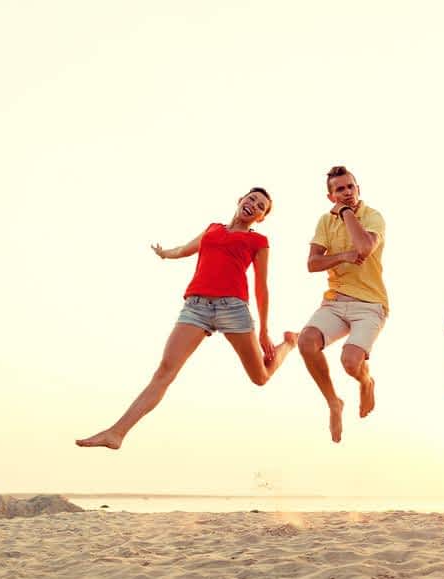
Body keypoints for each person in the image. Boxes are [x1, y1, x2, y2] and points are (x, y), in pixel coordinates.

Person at [76, 188, 298, 450]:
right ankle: (116, 433)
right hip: (196, 308)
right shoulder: (213, 229)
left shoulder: (258, 241)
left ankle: (289, 345)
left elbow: (262, 286)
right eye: (251, 199)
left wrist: (264, 330)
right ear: (240, 200)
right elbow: (185, 249)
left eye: (260, 206)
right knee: (164, 371)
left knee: (260, 377)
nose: (253, 204)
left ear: (260, 217)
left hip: (233, 308)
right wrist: (165, 253)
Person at [298, 166, 388, 443]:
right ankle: (334, 403)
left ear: (358, 188)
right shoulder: (325, 222)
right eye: (340, 189)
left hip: (370, 305)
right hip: (335, 302)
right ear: (331, 196)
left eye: (351, 187)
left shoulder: (373, 216)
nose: (347, 192)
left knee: (350, 363)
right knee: (306, 342)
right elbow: (312, 263)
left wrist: (347, 212)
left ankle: (366, 381)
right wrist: (343, 256)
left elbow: (364, 248)